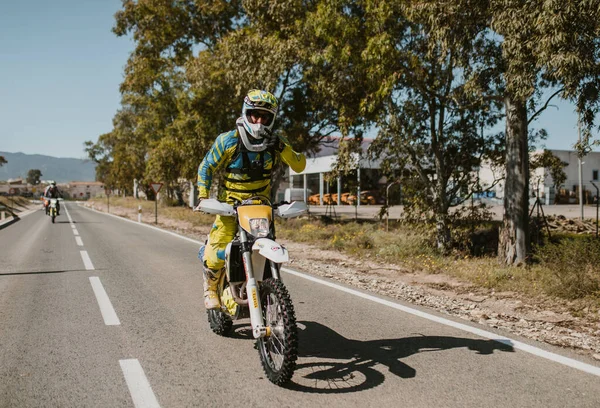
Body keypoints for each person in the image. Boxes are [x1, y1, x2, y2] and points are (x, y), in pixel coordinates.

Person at [196, 89, 306, 309]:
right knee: (217, 251)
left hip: (260, 208)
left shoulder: (277, 142)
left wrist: (281, 147)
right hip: (230, 207)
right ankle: (210, 287)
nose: (259, 121)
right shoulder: (228, 140)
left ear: (272, 119)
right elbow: (207, 166)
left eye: (265, 117)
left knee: (268, 249)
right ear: (246, 113)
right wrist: (203, 197)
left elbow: (299, 165)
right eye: (254, 114)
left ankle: (265, 286)